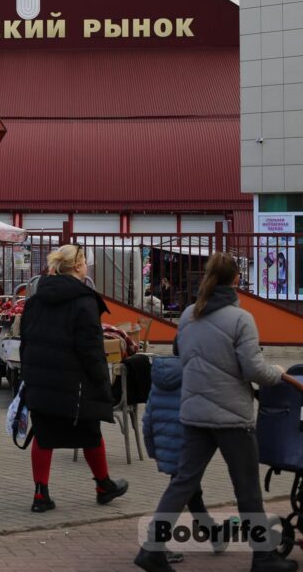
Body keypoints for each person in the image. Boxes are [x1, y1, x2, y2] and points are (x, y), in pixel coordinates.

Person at [135, 253, 291, 572]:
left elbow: (181, 354)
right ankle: (262, 557)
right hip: (232, 416)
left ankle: (152, 547)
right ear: (236, 280)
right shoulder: (240, 318)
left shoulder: (190, 314)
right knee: (246, 487)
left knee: (182, 482)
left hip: (194, 412)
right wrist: (276, 372)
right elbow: (252, 368)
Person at [20, 244, 128, 514]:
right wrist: (102, 382)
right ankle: (103, 485)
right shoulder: (84, 301)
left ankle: (40, 493)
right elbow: (90, 349)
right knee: (90, 432)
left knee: (43, 435)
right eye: (85, 263)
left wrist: (28, 374)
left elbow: (25, 339)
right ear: (79, 266)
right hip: (75, 384)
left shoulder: (35, 298)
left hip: (42, 380)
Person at [141, 355, 223, 563]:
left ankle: (214, 533)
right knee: (181, 489)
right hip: (189, 443)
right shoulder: (194, 375)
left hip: (166, 443)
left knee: (190, 490)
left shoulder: (159, 376)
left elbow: (148, 416)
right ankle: (156, 542)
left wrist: (152, 449)